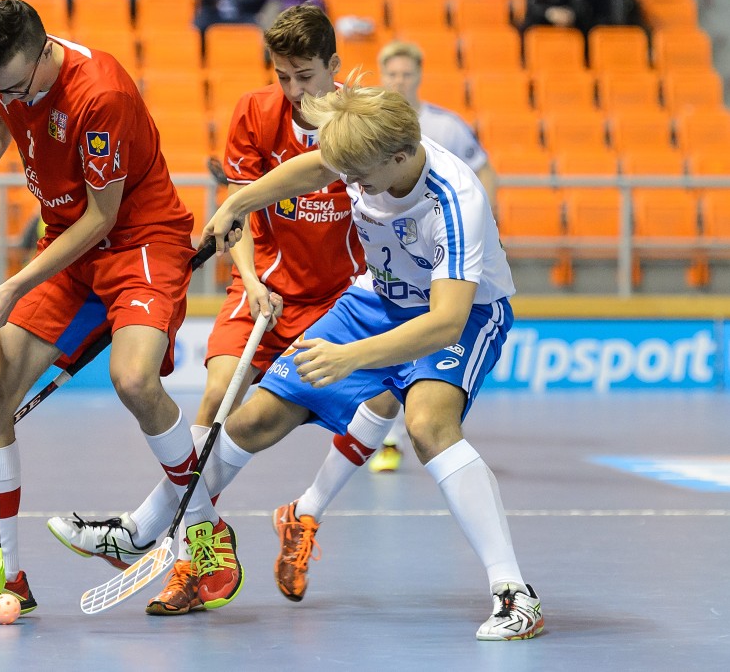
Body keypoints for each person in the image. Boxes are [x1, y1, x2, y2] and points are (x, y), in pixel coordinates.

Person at [47, 2, 396, 615]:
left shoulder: (363, 124)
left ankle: (172, 528)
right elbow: (238, 210)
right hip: (263, 285)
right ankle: (193, 559)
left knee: (380, 406)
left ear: (334, 68)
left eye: (307, 77)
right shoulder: (255, 113)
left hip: (341, 301)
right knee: (211, 405)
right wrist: (252, 278)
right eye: (283, 77)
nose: (294, 91)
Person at [0, 0, 240, 621]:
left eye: (16, 86)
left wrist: (12, 287)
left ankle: (204, 532)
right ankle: (1, 573)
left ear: (45, 53)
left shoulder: (101, 95)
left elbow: (103, 216)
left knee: (134, 380)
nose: (6, 96)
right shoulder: (3, 73)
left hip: (139, 239)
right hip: (65, 244)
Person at [196, 75, 543, 640]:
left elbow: (445, 322)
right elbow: (314, 169)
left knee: (428, 423)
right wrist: (238, 200)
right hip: (376, 297)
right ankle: (147, 525)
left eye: (356, 176)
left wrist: (349, 358)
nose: (347, 184)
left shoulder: (455, 200)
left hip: (460, 312)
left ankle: (514, 593)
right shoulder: (363, 153)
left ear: (401, 156)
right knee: (255, 418)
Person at [372, 39, 500, 472]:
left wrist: (481, 223)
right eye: (392, 74)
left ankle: (432, 417)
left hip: (443, 259)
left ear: (419, 77)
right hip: (394, 260)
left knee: (428, 341)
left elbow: (483, 170)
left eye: (406, 74)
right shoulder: (372, 127)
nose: (399, 80)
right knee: (392, 350)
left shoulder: (446, 126)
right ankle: (388, 440)